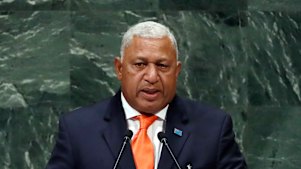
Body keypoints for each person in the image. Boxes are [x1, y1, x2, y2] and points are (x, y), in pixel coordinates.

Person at [46, 21, 247, 169]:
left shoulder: (213, 128)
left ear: (176, 71)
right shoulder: (78, 130)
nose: (152, 76)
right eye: (140, 64)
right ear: (119, 68)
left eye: (162, 66)